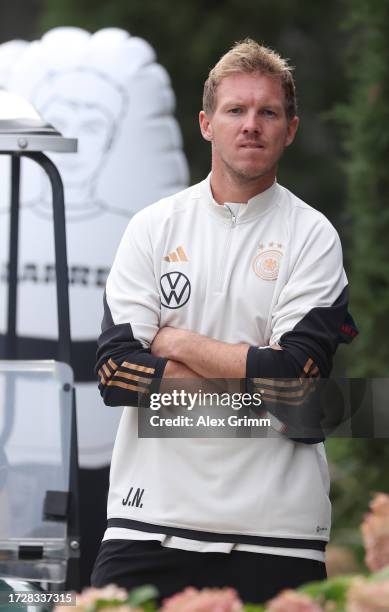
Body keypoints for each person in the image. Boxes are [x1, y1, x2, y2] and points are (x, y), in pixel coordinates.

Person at [91, 39, 357, 603]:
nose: (252, 125)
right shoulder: (153, 227)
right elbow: (116, 375)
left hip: (276, 532)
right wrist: (251, 374)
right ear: (207, 123)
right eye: (236, 110)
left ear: (291, 129)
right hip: (147, 520)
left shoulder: (313, 237)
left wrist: (176, 341)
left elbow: (293, 383)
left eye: (269, 112)